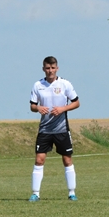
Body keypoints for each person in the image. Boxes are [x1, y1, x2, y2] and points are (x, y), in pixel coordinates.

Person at [29, 56, 80, 202]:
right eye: (47, 68)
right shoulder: (38, 85)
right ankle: (35, 193)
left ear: (57, 68)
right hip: (45, 130)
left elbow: (76, 103)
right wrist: (38, 108)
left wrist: (63, 108)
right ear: (43, 69)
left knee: (67, 159)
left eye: (52, 68)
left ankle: (71, 192)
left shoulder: (65, 84)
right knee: (39, 160)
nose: (50, 71)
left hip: (62, 129)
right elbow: (32, 106)